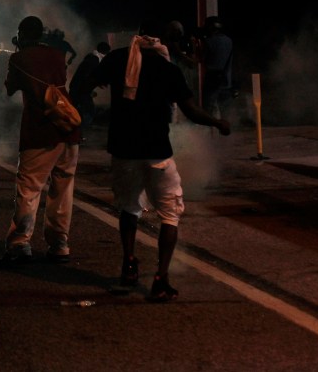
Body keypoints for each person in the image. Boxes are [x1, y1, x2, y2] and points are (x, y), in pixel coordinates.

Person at [88, 19, 231, 301]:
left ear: (139, 36)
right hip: (156, 150)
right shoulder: (168, 69)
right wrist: (218, 123)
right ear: (163, 42)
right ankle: (160, 278)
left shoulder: (119, 59)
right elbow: (190, 111)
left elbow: (91, 79)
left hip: (124, 150)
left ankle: (129, 265)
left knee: (129, 209)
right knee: (169, 214)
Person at [0, 16, 82, 268]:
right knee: (63, 189)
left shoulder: (19, 58)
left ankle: (20, 243)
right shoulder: (58, 55)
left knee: (29, 188)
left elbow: (9, 88)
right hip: (68, 129)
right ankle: (60, 245)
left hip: (40, 130)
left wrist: (18, 54)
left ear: (22, 34)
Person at [68, 41, 111, 128]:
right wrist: (90, 90)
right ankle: (79, 130)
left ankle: (76, 130)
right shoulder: (94, 60)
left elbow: (89, 75)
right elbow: (87, 76)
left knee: (76, 110)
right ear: (105, 52)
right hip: (80, 89)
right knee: (89, 111)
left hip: (78, 88)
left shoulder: (93, 58)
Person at [200, 16, 234, 117]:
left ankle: (209, 132)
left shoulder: (209, 41)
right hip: (226, 80)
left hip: (212, 79)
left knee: (208, 110)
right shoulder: (229, 40)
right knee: (225, 112)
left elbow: (202, 60)